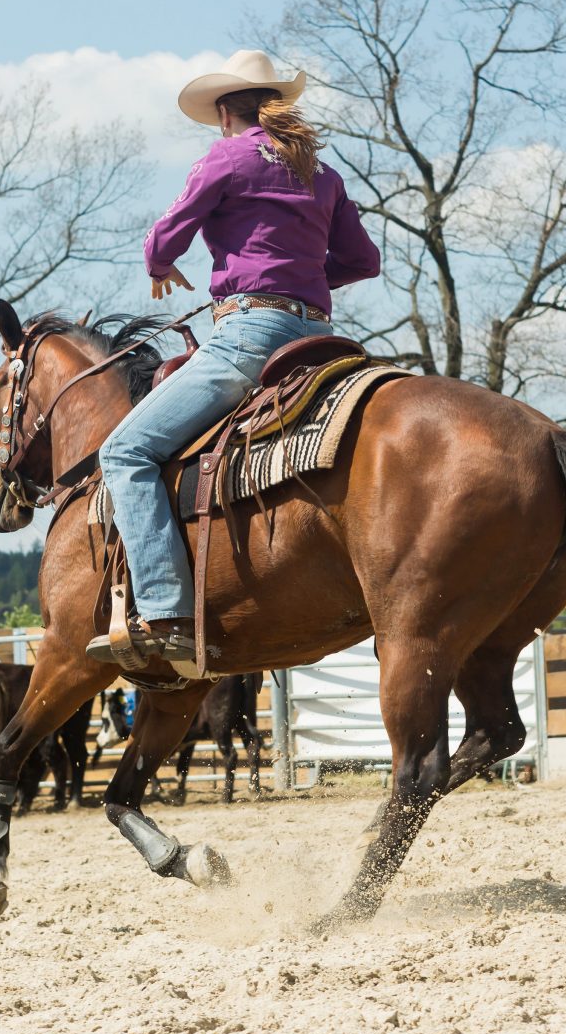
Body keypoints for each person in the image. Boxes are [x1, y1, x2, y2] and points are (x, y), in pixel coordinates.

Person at [86, 50, 381, 673]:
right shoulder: (322, 174)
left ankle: (165, 611)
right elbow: (363, 261)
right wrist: (298, 275)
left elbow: (167, 234)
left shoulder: (227, 156)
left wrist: (159, 265)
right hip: (318, 336)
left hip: (249, 335)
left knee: (125, 453)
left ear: (225, 112)